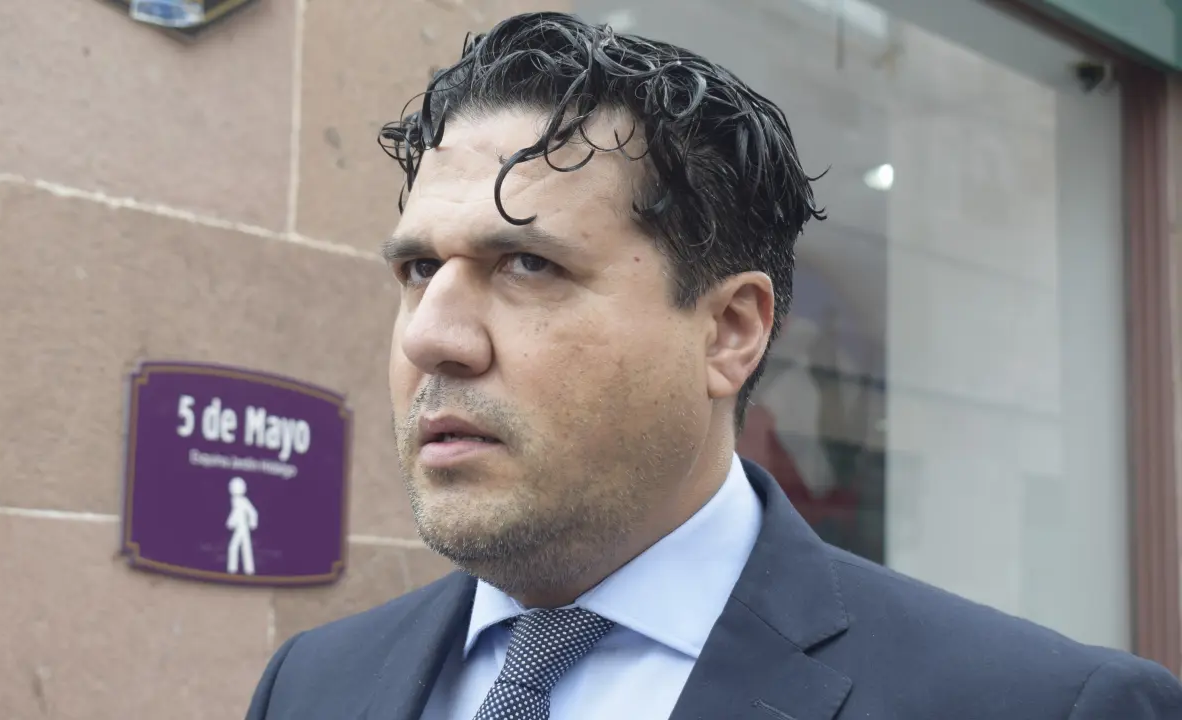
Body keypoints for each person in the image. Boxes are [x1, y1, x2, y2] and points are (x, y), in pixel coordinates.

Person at [245, 11, 1182, 719]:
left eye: (527, 264)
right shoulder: (311, 685)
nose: (431, 337)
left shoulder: (1043, 704)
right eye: (418, 270)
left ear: (731, 330)